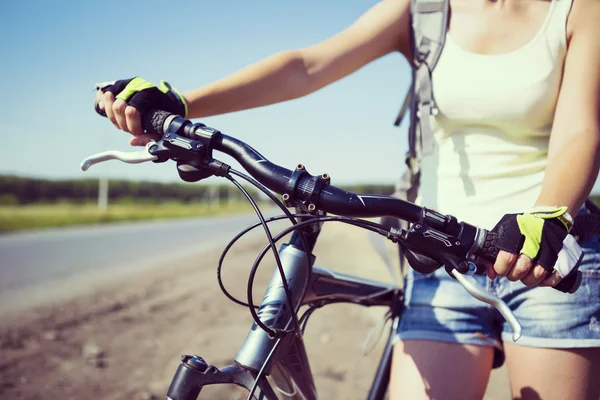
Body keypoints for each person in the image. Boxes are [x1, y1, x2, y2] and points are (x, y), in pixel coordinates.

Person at [95, 0, 600, 398]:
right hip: (443, 257)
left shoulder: (578, 8)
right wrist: (183, 103)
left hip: (548, 259)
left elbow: (581, 128)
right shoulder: (425, 8)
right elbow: (308, 66)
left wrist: (548, 215)